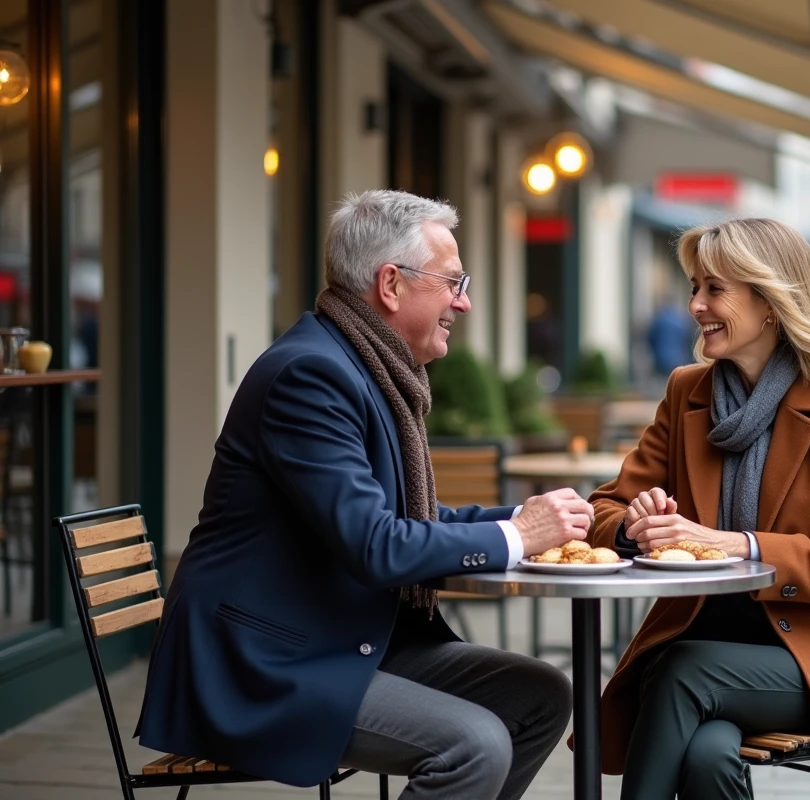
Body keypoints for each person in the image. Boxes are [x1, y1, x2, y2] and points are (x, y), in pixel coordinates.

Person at [137, 190, 590, 798]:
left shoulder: (363, 366)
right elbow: (375, 546)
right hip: (267, 660)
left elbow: (409, 520)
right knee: (473, 744)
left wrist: (531, 519)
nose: (465, 301)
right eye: (453, 281)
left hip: (343, 635)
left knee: (542, 695)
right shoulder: (311, 375)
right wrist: (518, 536)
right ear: (391, 284)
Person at [587, 219, 810, 800]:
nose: (695, 305)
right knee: (706, 756)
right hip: (707, 651)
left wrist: (738, 544)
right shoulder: (688, 391)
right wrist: (632, 525)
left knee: (679, 669)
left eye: (714, 289)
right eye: (694, 287)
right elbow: (603, 506)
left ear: (772, 302)